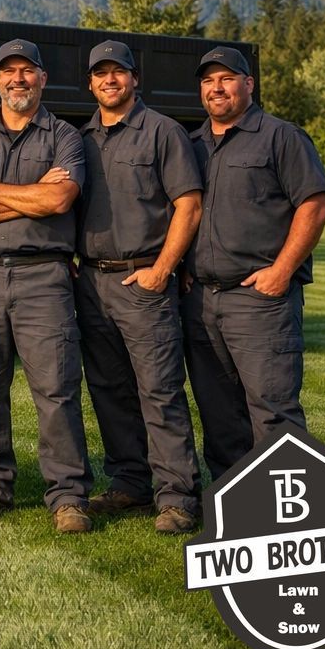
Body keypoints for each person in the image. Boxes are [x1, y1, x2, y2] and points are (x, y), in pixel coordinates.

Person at [0, 39, 96, 534]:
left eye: (27, 71)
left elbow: (59, 201)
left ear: (42, 79)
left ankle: (68, 496)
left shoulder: (65, 137)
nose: (18, 80)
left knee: (55, 389)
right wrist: (27, 197)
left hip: (43, 278)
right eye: (9, 71)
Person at [182, 46, 325, 480]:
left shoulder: (281, 136)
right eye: (208, 81)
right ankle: (232, 504)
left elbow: (315, 206)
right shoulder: (192, 145)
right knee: (217, 411)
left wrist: (282, 270)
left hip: (259, 300)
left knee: (272, 409)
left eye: (227, 79)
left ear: (248, 84)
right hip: (202, 300)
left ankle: (283, 512)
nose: (217, 88)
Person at [75, 40, 205, 535]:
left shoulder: (163, 132)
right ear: (90, 83)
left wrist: (162, 269)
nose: (110, 80)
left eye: (119, 72)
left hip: (142, 279)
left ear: (135, 79)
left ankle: (176, 495)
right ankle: (129, 481)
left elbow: (188, 205)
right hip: (91, 280)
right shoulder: (79, 138)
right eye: (101, 73)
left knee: (159, 390)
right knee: (108, 389)